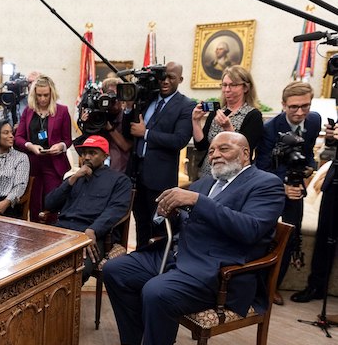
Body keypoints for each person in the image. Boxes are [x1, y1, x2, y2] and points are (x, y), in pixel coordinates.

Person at [103, 132, 284, 345]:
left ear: (246, 153)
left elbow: (251, 230)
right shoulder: (208, 181)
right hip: (177, 254)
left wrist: (197, 201)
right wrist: (168, 213)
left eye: (224, 148)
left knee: (157, 292)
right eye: (211, 151)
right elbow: (179, 217)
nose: (215, 155)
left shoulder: (265, 184)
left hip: (218, 270)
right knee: (116, 270)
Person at [255, 82, 321, 305]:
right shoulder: (268, 130)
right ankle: (256, 286)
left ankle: (274, 286)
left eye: (305, 106)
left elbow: (309, 153)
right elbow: (261, 167)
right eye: (294, 107)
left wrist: (310, 168)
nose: (300, 112)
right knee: (265, 238)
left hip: (296, 189)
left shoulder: (314, 121)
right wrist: (282, 187)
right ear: (283, 105)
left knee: (290, 238)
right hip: (271, 190)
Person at [44, 135, 132, 283]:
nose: (86, 157)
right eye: (84, 153)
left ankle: (65, 304)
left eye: (92, 153)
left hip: (90, 234)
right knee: (35, 264)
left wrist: (93, 230)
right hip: (62, 230)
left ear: (105, 155)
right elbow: (49, 204)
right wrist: (72, 179)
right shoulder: (74, 178)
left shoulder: (119, 180)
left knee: (76, 270)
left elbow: (116, 209)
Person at [129, 61, 194, 248]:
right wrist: (128, 108)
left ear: (180, 80)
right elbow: (132, 128)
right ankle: (139, 261)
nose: (165, 81)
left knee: (159, 226)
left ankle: (158, 266)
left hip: (160, 179)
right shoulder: (148, 98)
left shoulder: (186, 105)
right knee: (140, 222)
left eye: (171, 77)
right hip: (136, 173)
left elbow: (179, 140)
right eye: (162, 77)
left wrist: (146, 133)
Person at [291, 119, 338, 303]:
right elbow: (331, 151)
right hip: (333, 185)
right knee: (324, 239)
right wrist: (331, 139)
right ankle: (316, 286)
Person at [15, 74, 72, 222]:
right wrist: (30, 145)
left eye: (46, 95)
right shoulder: (28, 111)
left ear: (52, 93)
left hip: (53, 163)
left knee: (51, 203)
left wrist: (61, 146)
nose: (42, 99)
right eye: (39, 95)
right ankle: (34, 235)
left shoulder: (62, 111)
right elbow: (19, 137)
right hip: (33, 162)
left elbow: (68, 140)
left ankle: (52, 234)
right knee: (34, 204)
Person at [193, 65, 263, 179]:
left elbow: (245, 152)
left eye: (233, 85)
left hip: (233, 176)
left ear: (245, 88)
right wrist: (195, 121)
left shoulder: (253, 115)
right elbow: (201, 146)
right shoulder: (217, 111)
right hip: (208, 173)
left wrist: (228, 128)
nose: (227, 90)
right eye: (224, 85)